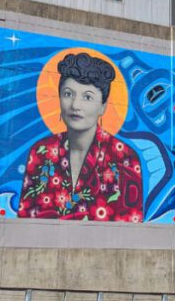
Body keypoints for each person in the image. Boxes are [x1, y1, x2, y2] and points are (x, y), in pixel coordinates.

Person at [18, 52, 143, 221]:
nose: (75, 105)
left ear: (103, 107)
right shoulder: (41, 152)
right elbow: (25, 219)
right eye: (68, 94)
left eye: (87, 97)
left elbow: (131, 225)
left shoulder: (124, 158)